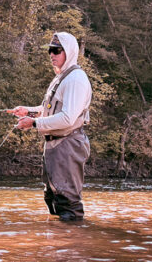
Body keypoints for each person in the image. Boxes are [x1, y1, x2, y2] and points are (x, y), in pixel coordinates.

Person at [8, 32, 92, 221]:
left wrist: (34, 123)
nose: (52, 55)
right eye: (50, 51)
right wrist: (27, 111)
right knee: (52, 198)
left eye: (56, 51)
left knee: (68, 202)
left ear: (68, 52)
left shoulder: (76, 79)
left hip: (68, 146)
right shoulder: (61, 78)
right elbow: (49, 110)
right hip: (54, 147)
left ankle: (71, 245)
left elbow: (68, 118)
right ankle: (57, 244)